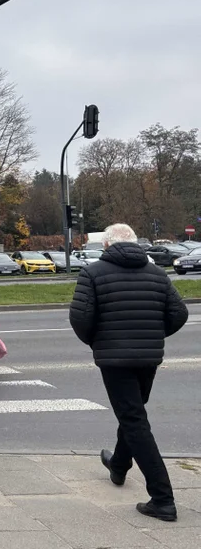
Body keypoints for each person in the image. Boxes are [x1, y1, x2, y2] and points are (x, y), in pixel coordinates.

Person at [69, 223, 189, 522]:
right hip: (148, 359)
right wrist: (152, 336)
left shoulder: (93, 273)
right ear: (136, 244)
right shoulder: (157, 274)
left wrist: (98, 341)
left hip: (114, 360)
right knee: (133, 414)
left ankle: (163, 499)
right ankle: (119, 465)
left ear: (106, 246)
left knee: (134, 420)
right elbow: (179, 314)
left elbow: (80, 318)